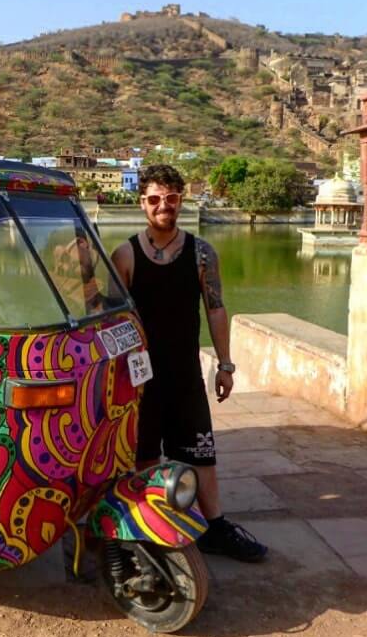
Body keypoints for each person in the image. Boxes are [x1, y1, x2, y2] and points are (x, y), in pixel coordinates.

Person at [110, 164, 267, 562]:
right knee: (145, 455)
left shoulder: (201, 253)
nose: (164, 206)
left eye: (172, 198)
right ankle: (149, 527)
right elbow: (109, 318)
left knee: (199, 453)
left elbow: (215, 310)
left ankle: (214, 527)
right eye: (155, 199)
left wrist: (226, 365)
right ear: (142, 203)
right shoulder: (125, 255)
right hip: (140, 376)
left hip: (185, 373)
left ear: (181, 199)